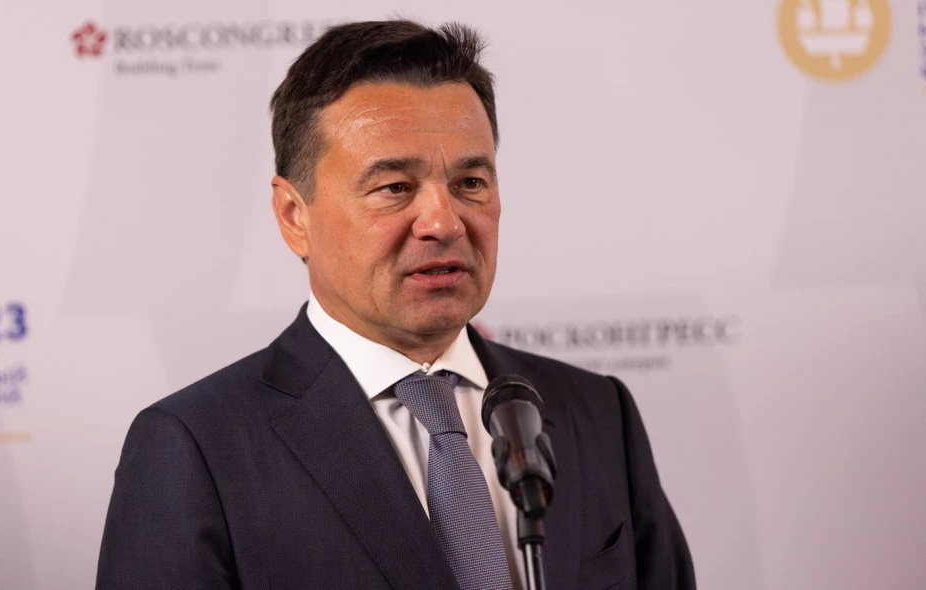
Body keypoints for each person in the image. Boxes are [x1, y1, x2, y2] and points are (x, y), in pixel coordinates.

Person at [96, 19, 694, 590]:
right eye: (395, 188)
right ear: (294, 216)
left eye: (470, 183)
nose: (444, 222)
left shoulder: (597, 411)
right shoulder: (195, 447)